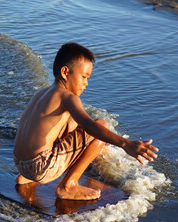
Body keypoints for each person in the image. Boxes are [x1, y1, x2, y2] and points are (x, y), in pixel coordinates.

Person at [13, 42, 158, 201]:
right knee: (101, 126)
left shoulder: (43, 93)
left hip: (20, 163)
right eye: (83, 77)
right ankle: (68, 185)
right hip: (41, 168)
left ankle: (28, 177)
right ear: (65, 72)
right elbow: (90, 126)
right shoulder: (68, 97)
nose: (86, 83)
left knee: (71, 123)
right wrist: (125, 144)